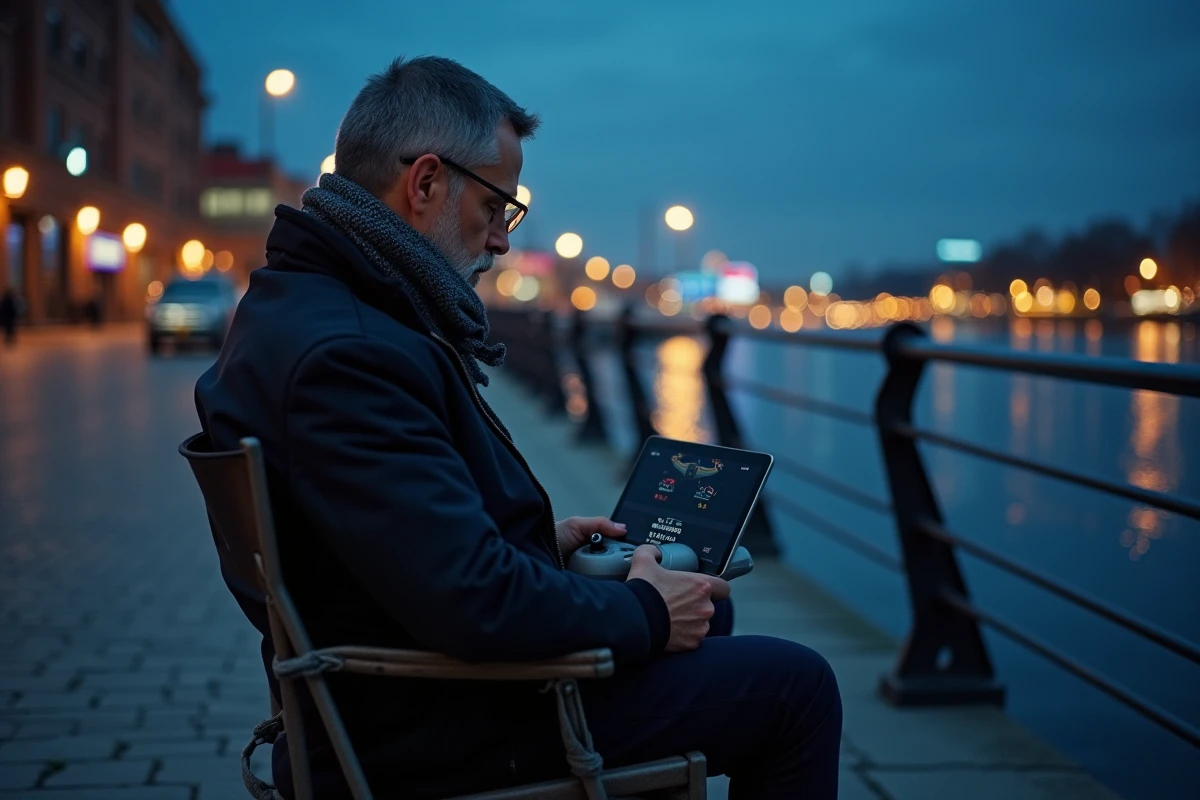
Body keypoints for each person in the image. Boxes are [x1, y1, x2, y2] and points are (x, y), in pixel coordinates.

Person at [193, 56, 841, 799]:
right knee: (797, 686)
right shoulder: (353, 354)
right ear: (426, 183)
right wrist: (642, 612)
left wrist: (539, 542)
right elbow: (475, 604)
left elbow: (402, 542)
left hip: (393, 688)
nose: (501, 240)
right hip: (431, 725)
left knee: (702, 614)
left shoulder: (304, 309)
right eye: (496, 208)